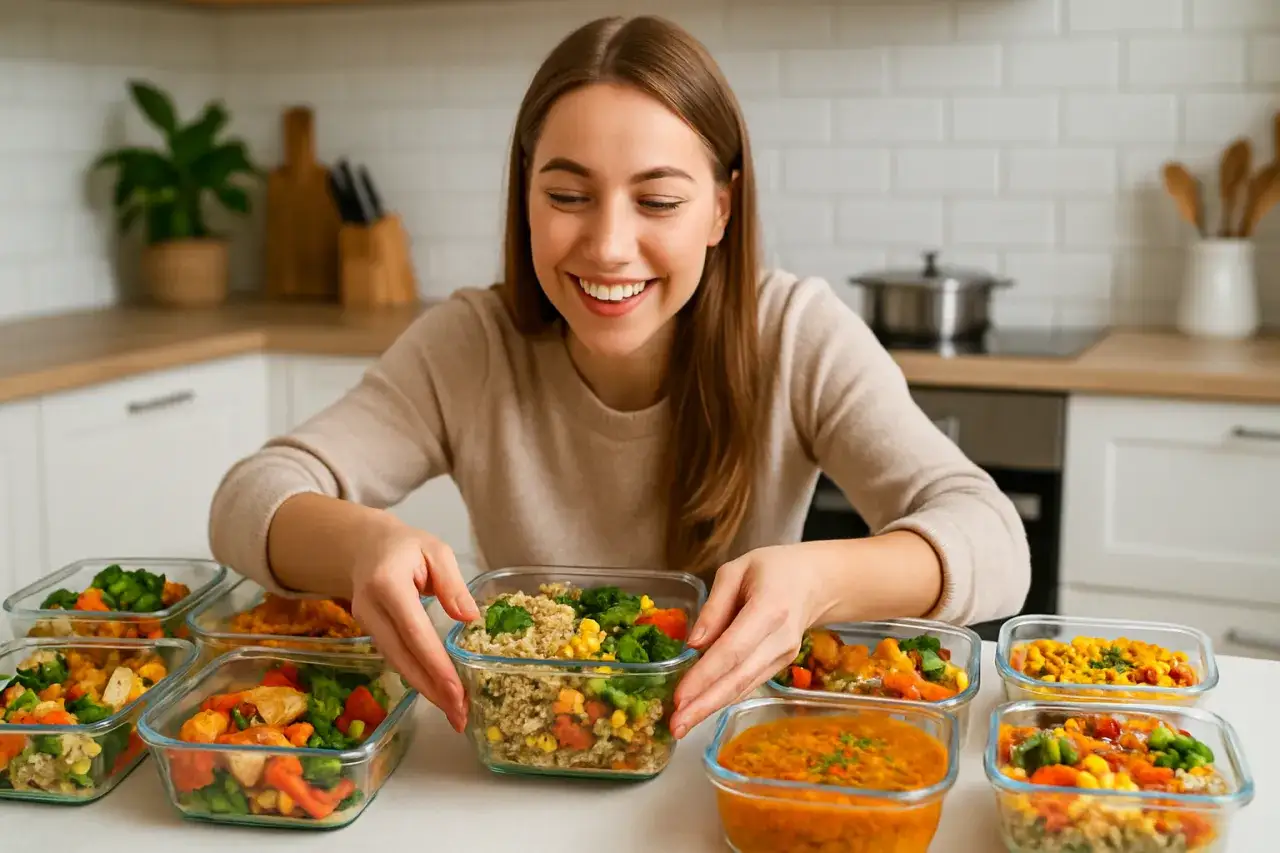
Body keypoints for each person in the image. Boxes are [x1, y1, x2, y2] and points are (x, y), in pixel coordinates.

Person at [208, 14, 1030, 741]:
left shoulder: (793, 334)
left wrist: (820, 580)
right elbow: (250, 496)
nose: (607, 245)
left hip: (721, 756)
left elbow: (996, 540)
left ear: (721, 209)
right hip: (528, 749)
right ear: (525, 196)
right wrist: (366, 545)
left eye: (658, 202)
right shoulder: (472, 345)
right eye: (567, 194)